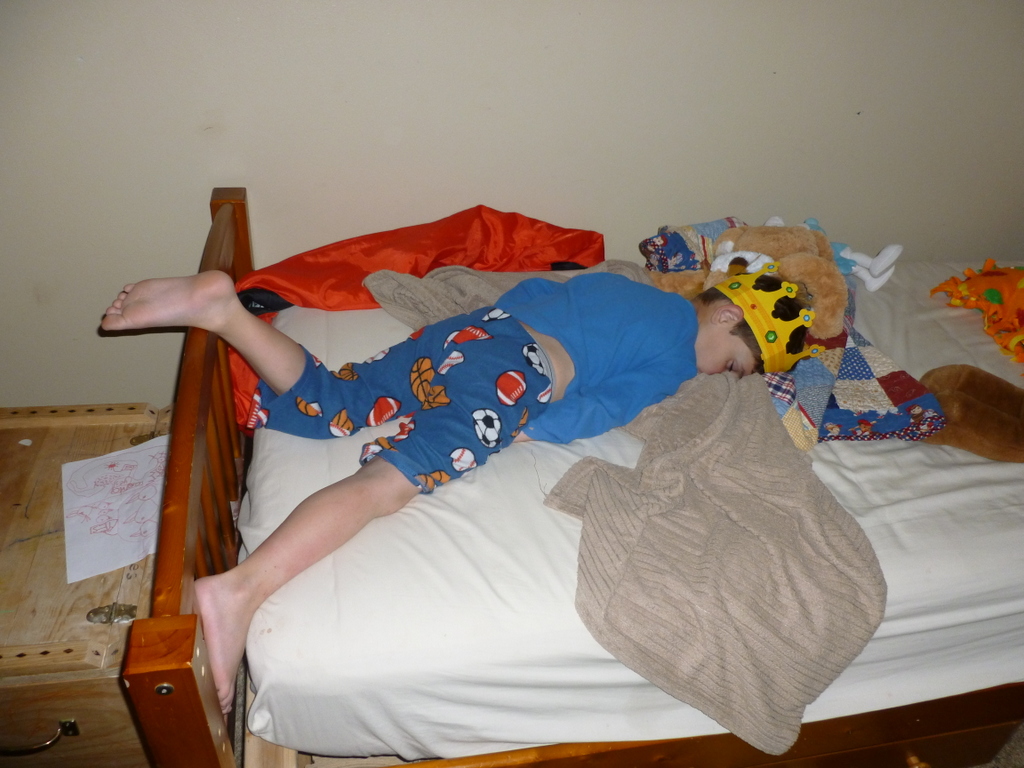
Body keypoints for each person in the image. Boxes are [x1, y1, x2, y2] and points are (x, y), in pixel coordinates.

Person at [101, 260, 810, 713]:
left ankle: (224, 312)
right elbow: (604, 408)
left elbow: (535, 292)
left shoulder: (622, 286)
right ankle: (239, 589)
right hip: (515, 375)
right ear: (725, 316)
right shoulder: (676, 358)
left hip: (468, 335)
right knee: (388, 483)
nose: (719, 374)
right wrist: (533, 425)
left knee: (337, 400)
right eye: (733, 363)